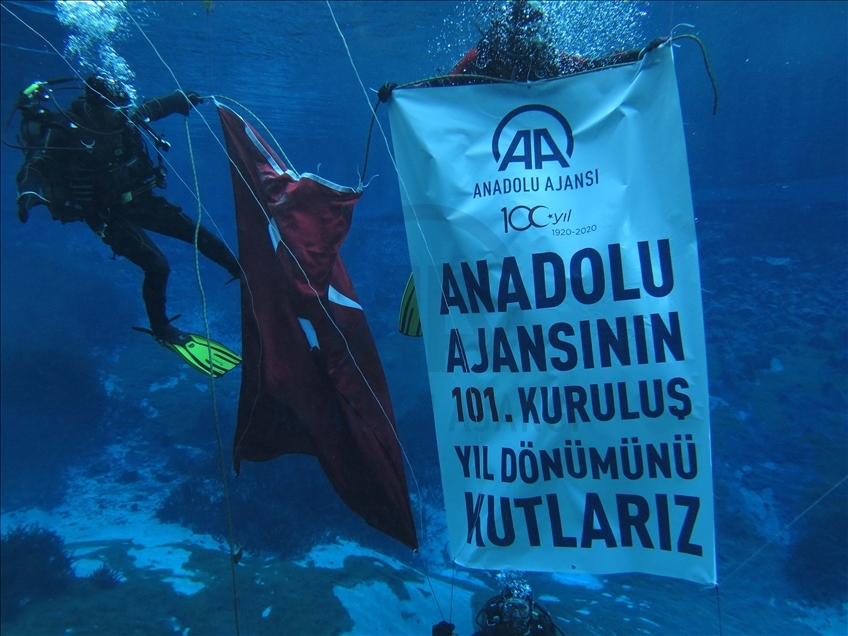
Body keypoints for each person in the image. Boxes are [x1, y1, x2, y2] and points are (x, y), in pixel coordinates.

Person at [12, 75, 241, 377]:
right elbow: (37, 165)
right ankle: (161, 329)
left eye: (124, 108)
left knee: (196, 232)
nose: (122, 114)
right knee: (157, 265)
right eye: (114, 109)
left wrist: (180, 98)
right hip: (104, 213)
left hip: (138, 199)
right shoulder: (66, 129)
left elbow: (152, 108)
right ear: (94, 107)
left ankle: (242, 273)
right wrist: (28, 193)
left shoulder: (124, 115)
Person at [471, 572, 563, 636]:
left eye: (522, 608)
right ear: (501, 608)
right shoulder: (489, 632)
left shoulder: (542, 633)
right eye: (510, 607)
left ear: (531, 609)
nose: (516, 614)